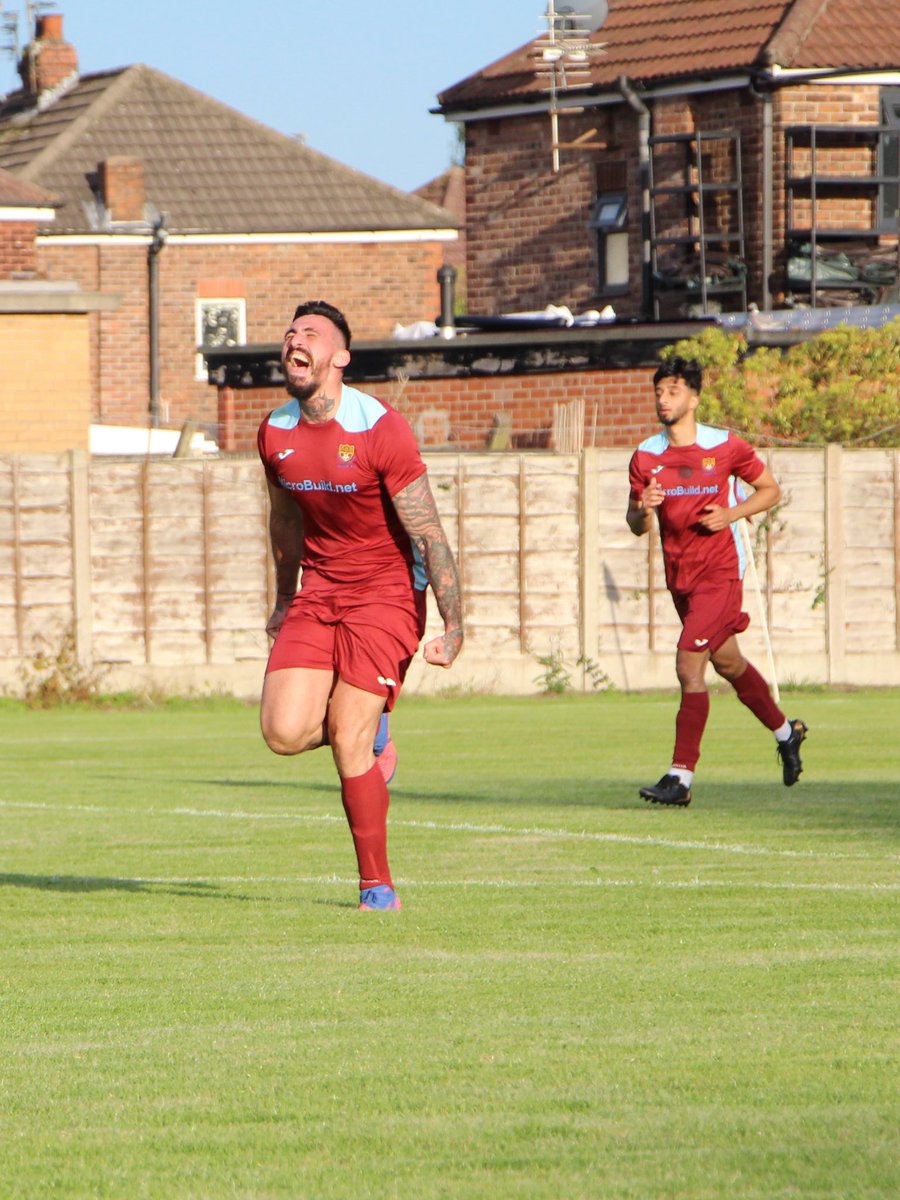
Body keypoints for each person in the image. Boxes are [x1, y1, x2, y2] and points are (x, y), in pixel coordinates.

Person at [257, 300, 463, 908]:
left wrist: (454, 625)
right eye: (290, 331)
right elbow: (285, 520)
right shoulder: (274, 431)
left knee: (346, 734)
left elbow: (428, 532)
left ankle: (377, 885)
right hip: (319, 591)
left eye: (312, 334)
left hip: (388, 592)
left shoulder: (379, 428)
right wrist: (282, 600)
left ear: (340, 357)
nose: (296, 339)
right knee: (282, 732)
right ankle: (376, 731)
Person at [626, 357, 807, 806]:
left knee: (689, 665)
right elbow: (635, 525)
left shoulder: (724, 446)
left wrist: (730, 513)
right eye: (659, 391)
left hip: (721, 574)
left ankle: (680, 777)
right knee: (728, 664)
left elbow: (770, 490)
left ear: (693, 398)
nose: (663, 399)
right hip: (680, 578)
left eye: (672, 390)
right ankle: (788, 733)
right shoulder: (646, 455)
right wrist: (642, 507)